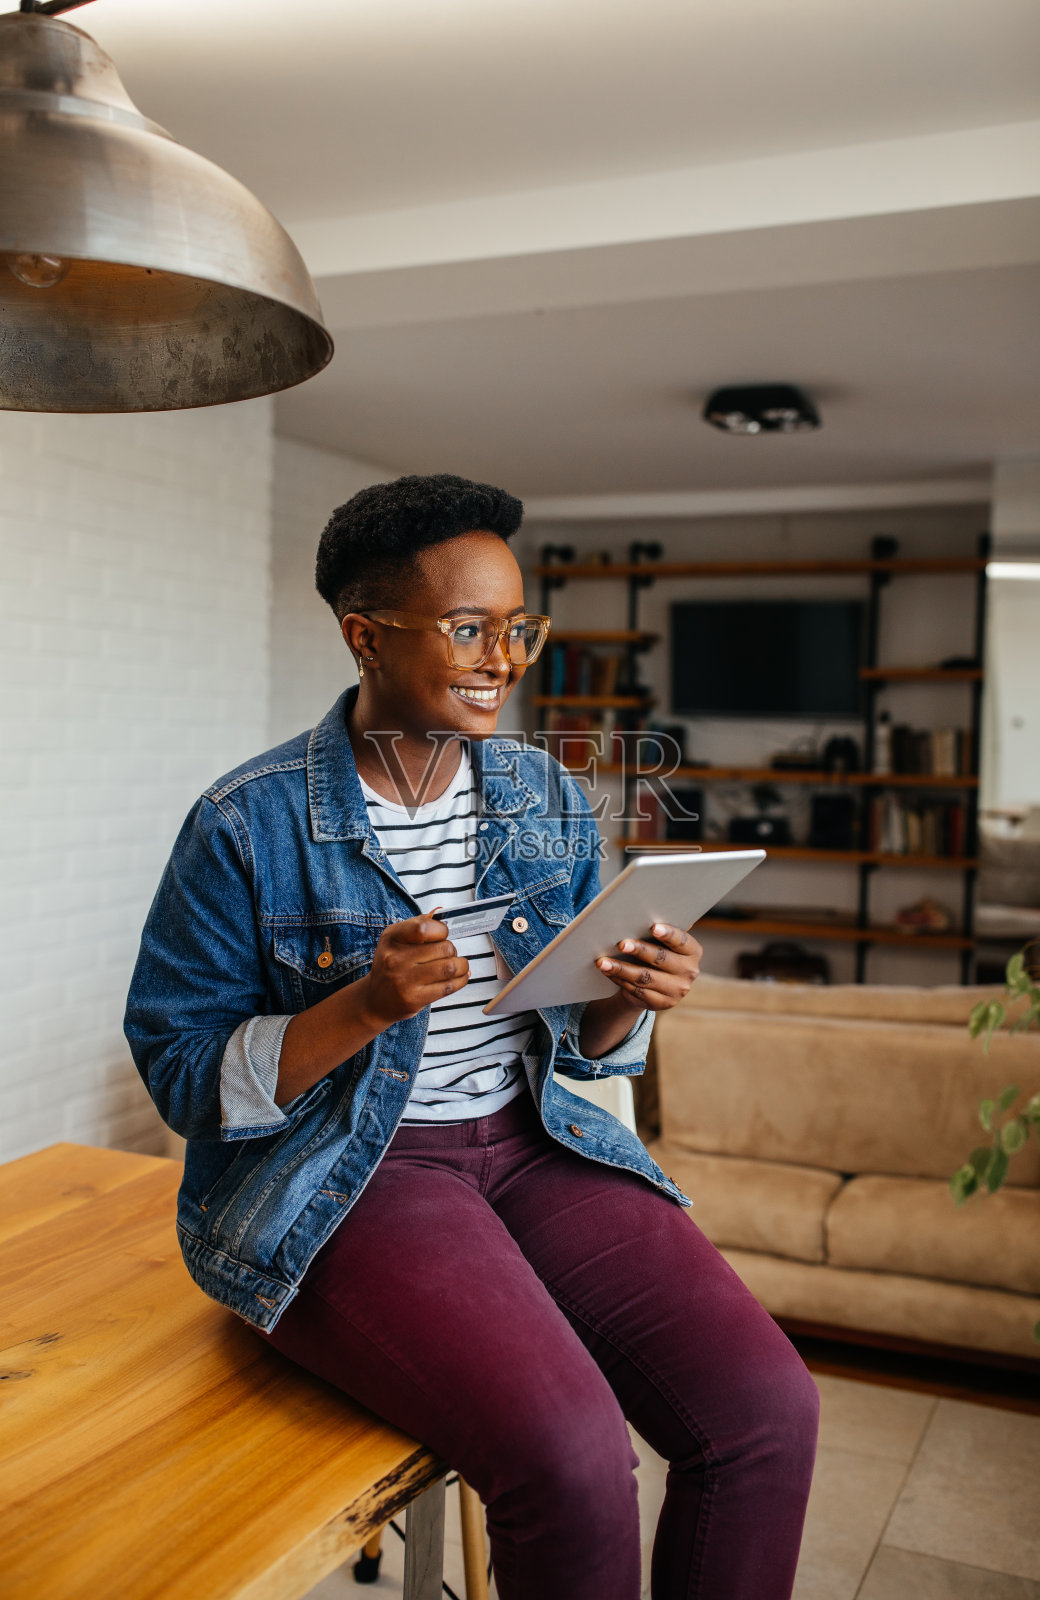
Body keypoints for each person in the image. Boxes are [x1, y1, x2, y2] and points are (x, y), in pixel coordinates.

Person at [124, 473, 818, 1600]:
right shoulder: (244, 824)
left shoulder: (541, 792)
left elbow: (579, 1047)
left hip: (530, 1139)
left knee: (766, 1411)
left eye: (517, 626)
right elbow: (181, 1077)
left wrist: (632, 991)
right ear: (363, 634)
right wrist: (363, 1008)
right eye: (467, 626)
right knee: (573, 1458)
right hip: (350, 1171)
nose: (504, 655)